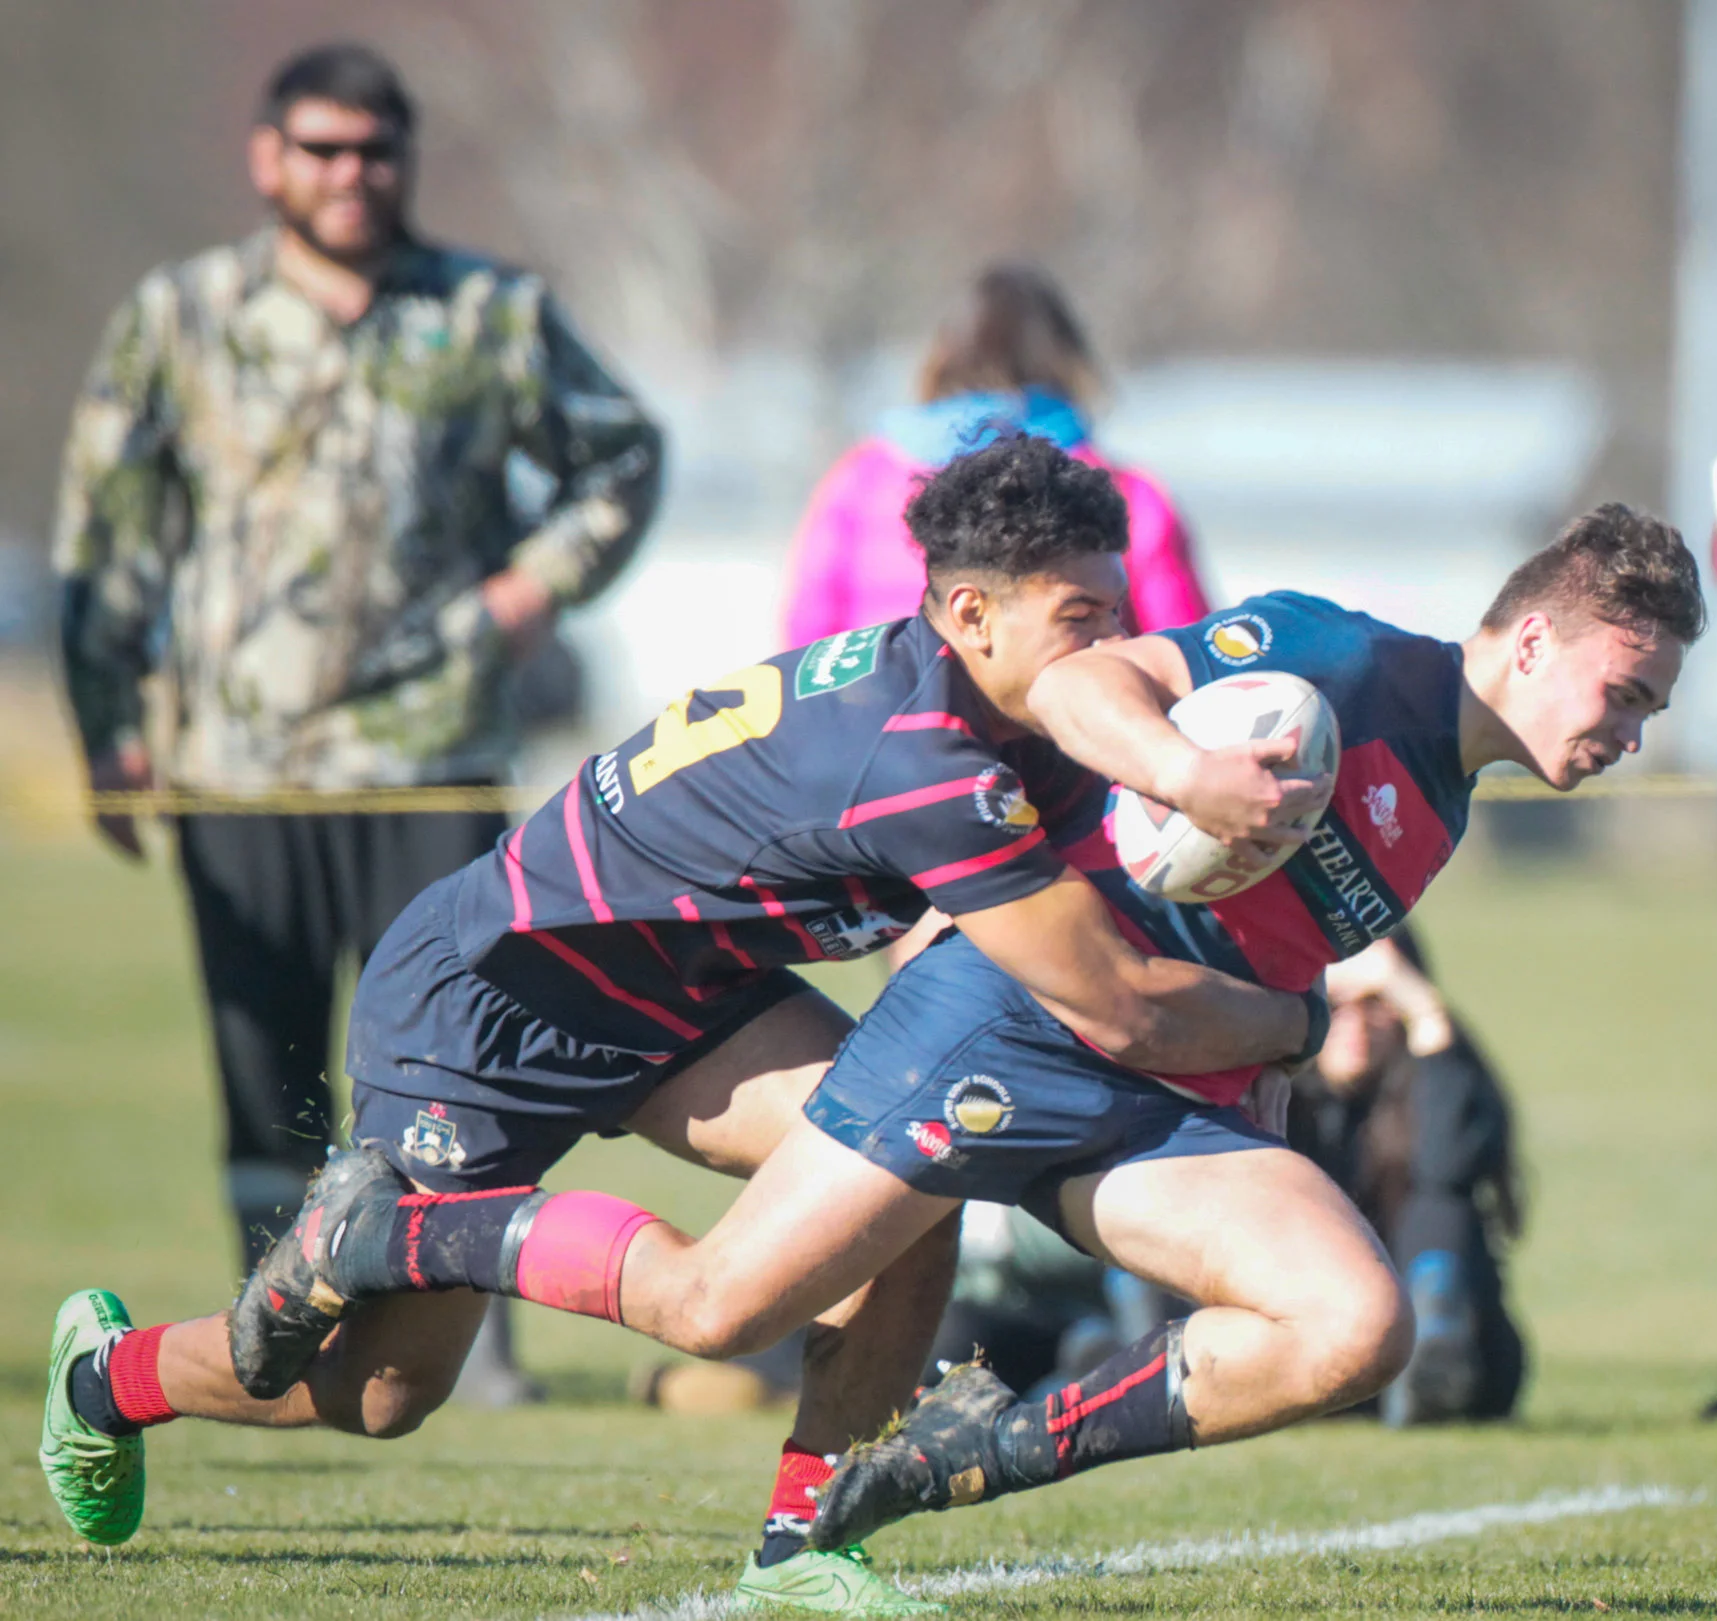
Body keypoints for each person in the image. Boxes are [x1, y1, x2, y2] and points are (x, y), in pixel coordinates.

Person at [40, 436, 1325, 1617]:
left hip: (679, 999)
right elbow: (1100, 993)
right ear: (970, 611)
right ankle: (113, 1375)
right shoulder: (930, 762)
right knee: (380, 1396)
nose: (1111, 645)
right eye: (1082, 618)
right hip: (490, 997)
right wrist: (1285, 1024)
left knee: (904, 1178)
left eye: (1119, 612)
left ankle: (803, 1548)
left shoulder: (1006, 705)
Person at [48, 43, 663, 1409]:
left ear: (407, 157)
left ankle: (468, 1340)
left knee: (456, 1057)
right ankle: (273, 1339)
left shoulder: (487, 314)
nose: (350, 174)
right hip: (236, 767)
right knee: (263, 1070)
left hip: (429, 754)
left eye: (374, 148)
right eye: (320, 149)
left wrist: (529, 587)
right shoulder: (182, 315)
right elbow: (110, 530)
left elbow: (624, 451)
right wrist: (107, 726)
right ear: (269, 159)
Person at [784, 263, 1211, 645]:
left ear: (940, 355)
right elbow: (1186, 656)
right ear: (1070, 360)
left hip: (884, 726)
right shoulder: (1118, 491)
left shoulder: (861, 477)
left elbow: (809, 646)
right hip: (1056, 731)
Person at [1289, 931, 1528, 1426]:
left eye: (1378, 1003)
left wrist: (1429, 1018)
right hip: (1323, 1335)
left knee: (1443, 1200)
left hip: (1468, 1357)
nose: (1355, 1025)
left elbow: (1449, 1167)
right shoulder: (1277, 1091)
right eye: (1336, 1005)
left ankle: (1434, 1352)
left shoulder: (1440, 1074)